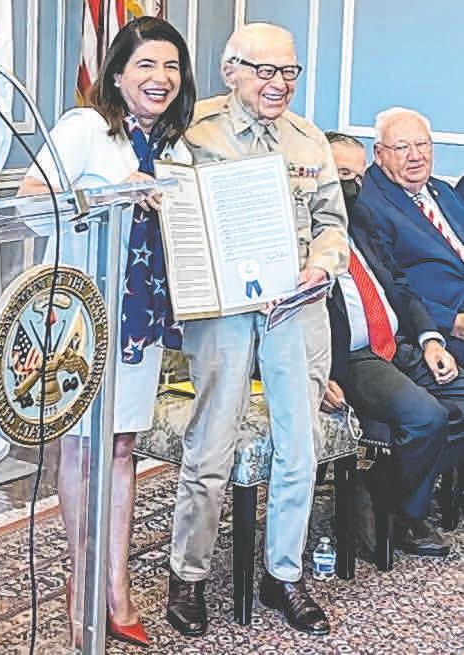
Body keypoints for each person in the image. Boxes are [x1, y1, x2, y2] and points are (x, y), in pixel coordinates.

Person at [166, 22, 348, 639]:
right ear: (231, 71)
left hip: (295, 306)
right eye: (265, 71)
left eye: (289, 72)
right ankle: (188, 575)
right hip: (223, 308)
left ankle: (284, 574)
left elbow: (332, 222)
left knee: (301, 445)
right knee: (212, 442)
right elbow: (175, 222)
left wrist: (319, 265)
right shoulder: (194, 132)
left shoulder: (309, 139)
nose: (279, 84)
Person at [18, 17, 195, 647]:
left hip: (139, 321)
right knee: (83, 447)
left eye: (171, 66)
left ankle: (116, 586)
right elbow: (30, 201)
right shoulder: (85, 129)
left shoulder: (176, 149)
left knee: (122, 447)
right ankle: (82, 578)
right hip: (81, 320)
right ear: (117, 74)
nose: (161, 77)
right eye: (146, 64)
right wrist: (112, 197)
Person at [324, 132, 464, 555]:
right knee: (426, 417)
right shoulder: (299, 236)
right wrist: (315, 374)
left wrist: (430, 340)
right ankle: (406, 517)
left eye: (357, 177)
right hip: (353, 356)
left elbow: (399, 288)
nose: (352, 187)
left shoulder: (361, 224)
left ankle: (380, 490)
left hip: (397, 343)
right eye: (340, 175)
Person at [356, 106, 464, 366]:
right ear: (379, 154)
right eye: (402, 147)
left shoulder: (442, 191)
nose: (415, 156)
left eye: (422, 144)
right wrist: (450, 322)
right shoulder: (367, 204)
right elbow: (387, 285)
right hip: (441, 326)